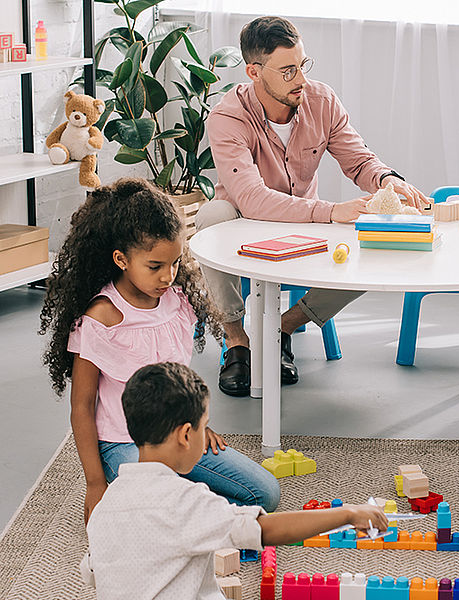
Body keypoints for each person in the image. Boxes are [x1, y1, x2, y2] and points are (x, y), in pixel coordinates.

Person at [199, 15, 430, 395]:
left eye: (302, 64)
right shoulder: (228, 117)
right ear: (253, 72)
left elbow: (358, 160)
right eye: (287, 71)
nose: (301, 79)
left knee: (372, 242)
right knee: (211, 215)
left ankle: (281, 329)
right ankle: (237, 341)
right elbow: (251, 199)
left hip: (303, 221)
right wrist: (330, 212)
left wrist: (387, 179)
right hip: (242, 220)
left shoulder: (321, 101)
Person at [39, 178, 280, 523]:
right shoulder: (101, 319)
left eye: (175, 263)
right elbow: (81, 406)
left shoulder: (177, 302)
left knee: (265, 493)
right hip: (124, 444)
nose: (168, 276)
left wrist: (197, 425)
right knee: (159, 509)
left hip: (177, 434)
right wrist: (95, 483)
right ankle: (189, 511)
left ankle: (187, 511)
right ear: (121, 259)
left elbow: (180, 381)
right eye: (155, 266)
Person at [81, 362, 388, 600]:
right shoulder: (184, 502)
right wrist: (347, 514)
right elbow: (264, 529)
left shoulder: (105, 507)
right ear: (186, 435)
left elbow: (93, 571)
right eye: (204, 426)